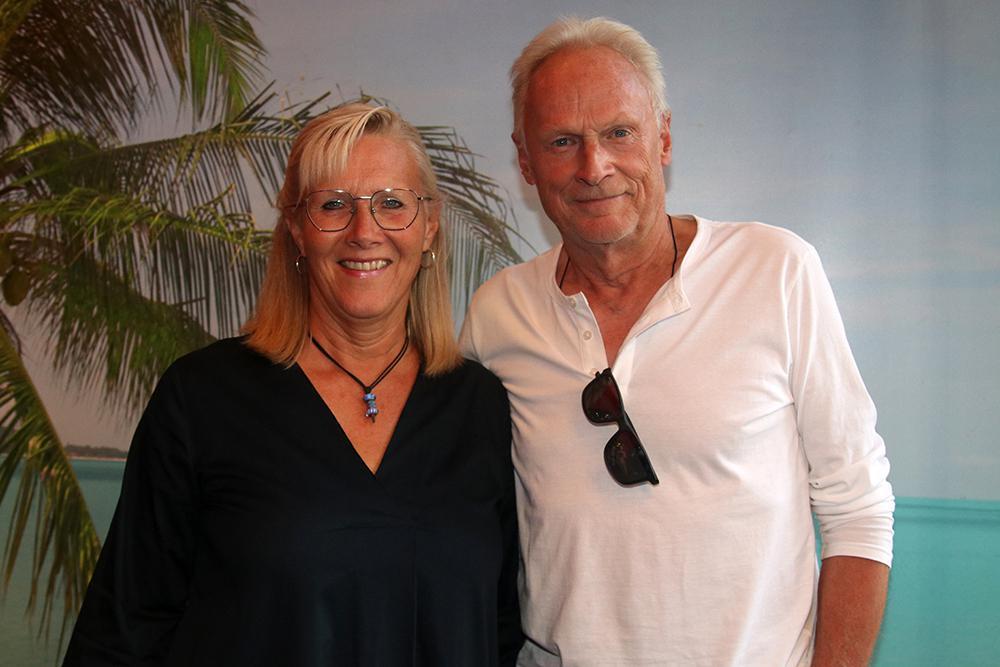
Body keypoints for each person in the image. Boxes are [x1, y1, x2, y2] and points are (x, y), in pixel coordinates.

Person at [460, 17, 894, 667]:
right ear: (525, 160)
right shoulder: (498, 313)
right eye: (562, 141)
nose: (593, 166)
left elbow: (856, 506)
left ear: (662, 136)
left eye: (618, 132)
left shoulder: (774, 270)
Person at [64, 102, 522, 666]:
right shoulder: (203, 398)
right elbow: (123, 632)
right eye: (333, 205)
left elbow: (503, 631)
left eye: (391, 203)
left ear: (429, 226)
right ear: (297, 231)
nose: (364, 232)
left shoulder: (482, 408)